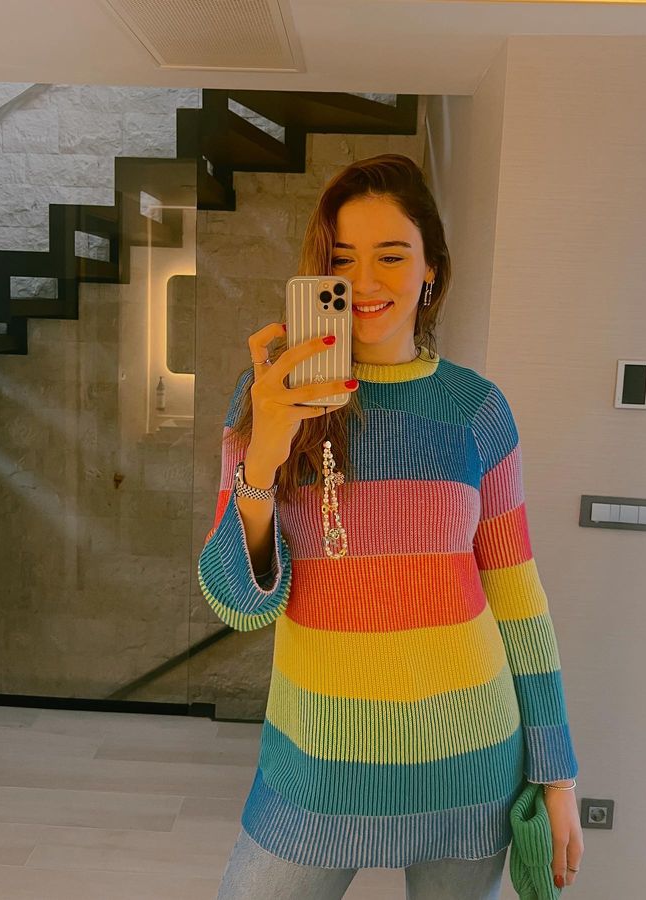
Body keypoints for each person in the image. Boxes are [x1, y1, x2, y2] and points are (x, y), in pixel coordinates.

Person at [198, 154, 583, 899]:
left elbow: (517, 597)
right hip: (316, 764)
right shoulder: (269, 397)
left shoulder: (477, 410)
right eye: (343, 259)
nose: (366, 282)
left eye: (392, 256)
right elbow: (237, 604)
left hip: (469, 760)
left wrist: (557, 773)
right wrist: (263, 459)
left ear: (431, 268)